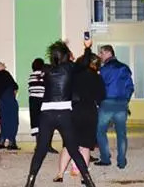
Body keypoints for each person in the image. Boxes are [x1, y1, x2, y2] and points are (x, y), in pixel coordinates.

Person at [24, 39, 97, 187]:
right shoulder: (69, 68)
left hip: (46, 114)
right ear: (65, 55)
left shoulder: (46, 69)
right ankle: (89, 181)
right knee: (73, 149)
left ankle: (30, 181)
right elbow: (84, 63)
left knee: (41, 150)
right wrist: (87, 47)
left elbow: (41, 71)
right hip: (64, 114)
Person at [55, 51, 105, 182]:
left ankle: (60, 174)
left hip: (73, 111)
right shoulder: (96, 77)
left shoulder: (72, 75)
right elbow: (101, 97)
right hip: (89, 111)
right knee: (85, 146)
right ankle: (84, 176)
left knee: (68, 145)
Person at [96, 45, 134, 169]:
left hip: (107, 103)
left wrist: (99, 101)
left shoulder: (103, 70)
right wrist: (126, 100)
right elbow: (130, 87)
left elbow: (99, 87)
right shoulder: (124, 68)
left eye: (101, 53)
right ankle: (121, 161)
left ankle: (105, 158)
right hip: (121, 103)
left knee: (100, 131)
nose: (100, 56)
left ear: (108, 53)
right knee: (121, 133)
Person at [0, 59, 20, 150]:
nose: (3, 64)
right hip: (9, 100)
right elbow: (15, 86)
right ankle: (11, 142)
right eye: (0, 63)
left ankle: (1, 141)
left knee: (4, 120)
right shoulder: (5, 73)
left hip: (1, 102)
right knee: (13, 120)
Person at [28, 58, 56, 153]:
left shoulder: (31, 76)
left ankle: (38, 145)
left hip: (33, 100)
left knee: (36, 123)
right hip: (43, 100)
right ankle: (47, 145)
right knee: (47, 123)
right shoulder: (44, 74)